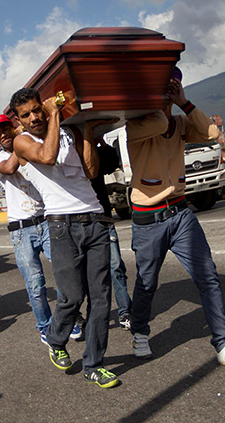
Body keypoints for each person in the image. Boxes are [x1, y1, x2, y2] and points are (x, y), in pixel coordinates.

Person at [125, 78, 225, 365]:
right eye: (164, 86)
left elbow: (211, 134)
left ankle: (224, 344)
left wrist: (183, 101)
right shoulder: (137, 124)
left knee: (207, 276)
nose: (168, 91)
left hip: (180, 213)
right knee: (147, 282)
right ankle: (140, 331)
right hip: (148, 218)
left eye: (172, 85)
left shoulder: (181, 123)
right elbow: (159, 123)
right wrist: (156, 99)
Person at [11, 88, 119, 389]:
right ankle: (56, 340)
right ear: (18, 120)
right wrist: (56, 113)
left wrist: (86, 131)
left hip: (95, 219)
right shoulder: (23, 142)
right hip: (61, 226)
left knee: (100, 299)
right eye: (26, 115)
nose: (34, 117)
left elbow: (92, 171)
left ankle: (94, 365)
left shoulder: (69, 131)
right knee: (72, 297)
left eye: (37, 110)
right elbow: (47, 156)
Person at [0, 114, 81, 343]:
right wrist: (22, 143)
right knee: (35, 283)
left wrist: (27, 141)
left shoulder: (31, 144)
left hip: (46, 221)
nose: (1, 135)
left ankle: (68, 320)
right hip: (21, 229)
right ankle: (46, 326)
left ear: (12, 127)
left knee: (63, 274)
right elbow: (9, 169)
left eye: (4, 129)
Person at [89, 138, 132, 330]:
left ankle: (125, 312)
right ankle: (95, 316)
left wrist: (101, 142)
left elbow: (113, 163)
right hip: (80, 225)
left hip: (104, 220)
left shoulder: (95, 152)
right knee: (89, 275)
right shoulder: (65, 155)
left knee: (115, 267)